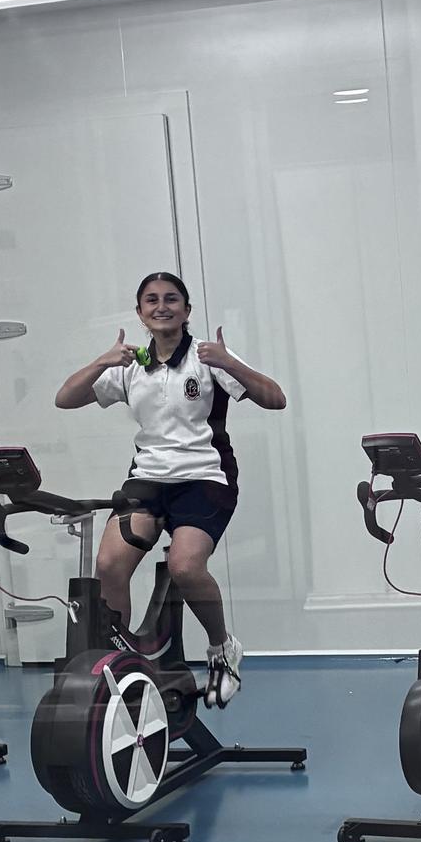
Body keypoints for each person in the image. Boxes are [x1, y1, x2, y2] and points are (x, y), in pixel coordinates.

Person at [54, 270, 286, 708]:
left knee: (185, 567)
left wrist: (230, 363)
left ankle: (222, 648)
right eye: (152, 300)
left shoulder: (207, 357)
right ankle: (119, 664)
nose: (162, 306)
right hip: (147, 478)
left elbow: (276, 398)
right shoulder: (131, 365)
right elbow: (65, 398)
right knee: (109, 564)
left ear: (186, 309)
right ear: (140, 311)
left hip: (205, 477)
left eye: (171, 299)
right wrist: (103, 362)